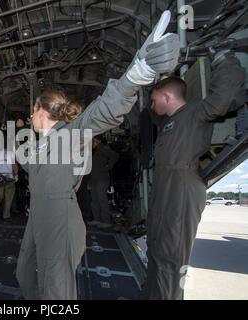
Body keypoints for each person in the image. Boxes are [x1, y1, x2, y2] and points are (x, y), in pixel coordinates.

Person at [15, 10, 181, 300]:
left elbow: (102, 113)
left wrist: (136, 74)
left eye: (32, 111)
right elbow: (26, 159)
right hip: (38, 215)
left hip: (58, 217)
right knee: (25, 275)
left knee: (56, 291)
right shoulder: (39, 144)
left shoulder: (70, 133)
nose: (30, 116)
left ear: (42, 110)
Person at [142, 51, 246, 300]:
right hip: (166, 189)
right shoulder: (170, 123)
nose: (153, 106)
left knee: (171, 257)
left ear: (167, 96)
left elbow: (226, 97)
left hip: (181, 190)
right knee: (156, 250)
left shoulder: (196, 113)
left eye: (155, 100)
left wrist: (224, 60)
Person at [88, 136, 119, 229]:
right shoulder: (94, 151)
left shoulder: (102, 148)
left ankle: (106, 221)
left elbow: (115, 155)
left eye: (93, 141)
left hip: (102, 178)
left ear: (97, 140)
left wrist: (108, 167)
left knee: (102, 199)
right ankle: (97, 219)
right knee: (94, 200)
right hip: (94, 178)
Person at [0, 144, 18, 221]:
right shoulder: (11, 154)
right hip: (9, 177)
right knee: (9, 197)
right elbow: (15, 165)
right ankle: (6, 216)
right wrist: (16, 175)